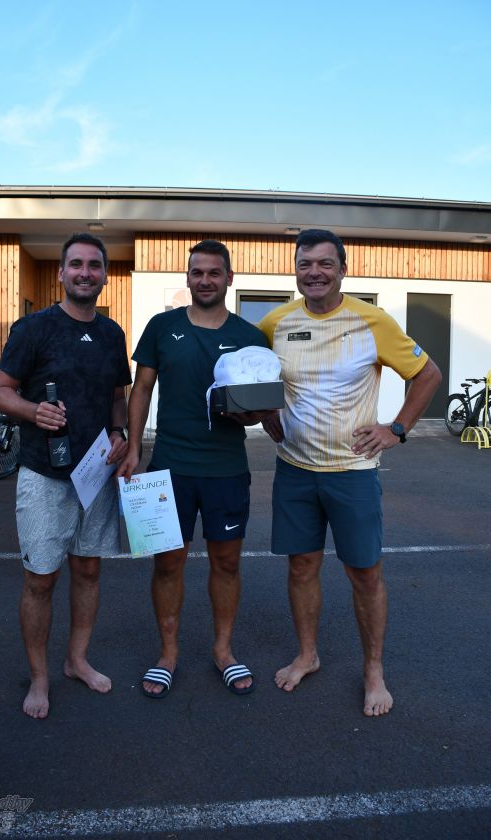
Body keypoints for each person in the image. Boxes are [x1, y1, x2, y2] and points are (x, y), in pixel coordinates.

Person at [259, 229, 441, 716]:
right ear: (295, 270)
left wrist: (396, 429)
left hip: (353, 472)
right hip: (295, 469)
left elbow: (428, 375)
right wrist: (265, 410)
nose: (314, 272)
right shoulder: (276, 322)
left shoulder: (371, 320)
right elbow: (256, 374)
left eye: (325, 263)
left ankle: (373, 671)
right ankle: (307, 655)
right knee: (301, 567)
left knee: (364, 573)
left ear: (343, 269)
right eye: (305, 264)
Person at [118, 239, 271, 698]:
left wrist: (253, 415)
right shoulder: (162, 327)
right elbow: (141, 389)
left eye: (213, 273)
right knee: (168, 563)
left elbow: (259, 404)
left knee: (227, 562)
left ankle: (223, 650)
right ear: (188, 277)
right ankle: (168, 654)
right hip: (169, 467)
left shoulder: (250, 336)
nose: (205, 280)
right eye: (197, 272)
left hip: (226, 469)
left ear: (229, 278)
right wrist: (133, 448)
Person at [0, 233, 131, 719]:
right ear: (61, 273)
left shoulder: (112, 333)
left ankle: (76, 660)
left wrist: (120, 432)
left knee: (88, 570)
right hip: (44, 475)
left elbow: (117, 395)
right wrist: (33, 411)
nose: (85, 273)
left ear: (104, 274)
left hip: (96, 475)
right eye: (76, 264)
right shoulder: (34, 328)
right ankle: (39, 678)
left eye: (94, 265)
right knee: (41, 580)